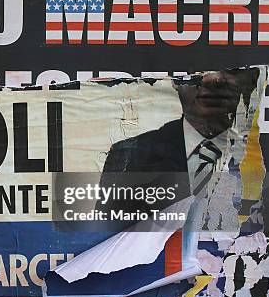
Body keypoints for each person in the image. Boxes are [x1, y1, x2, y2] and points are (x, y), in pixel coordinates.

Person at [95, 68, 260, 231]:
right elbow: (106, 236)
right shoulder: (129, 154)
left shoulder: (254, 158)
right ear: (176, 84)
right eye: (195, 77)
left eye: (222, 80)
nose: (208, 85)